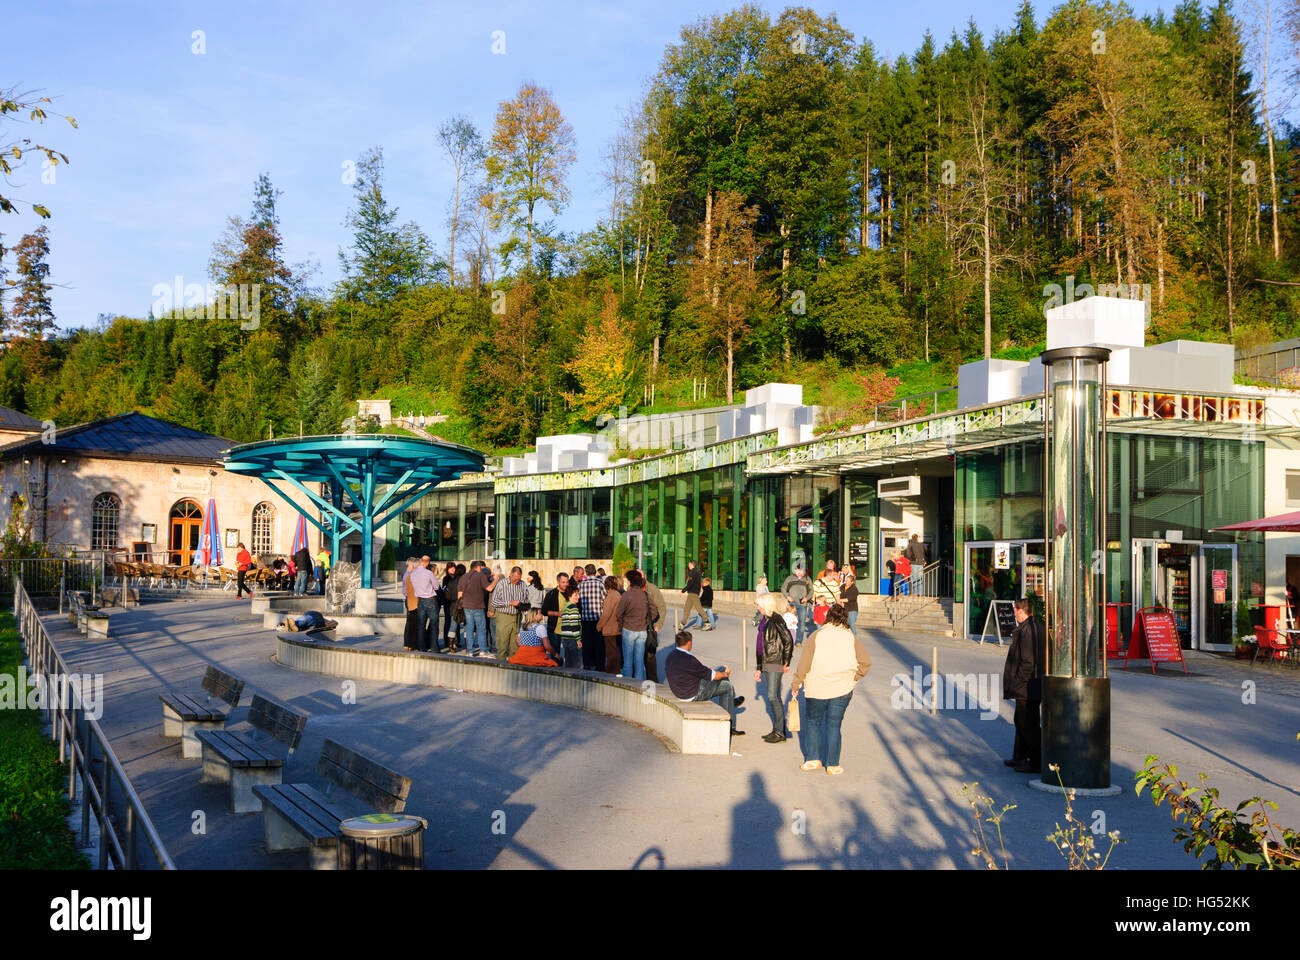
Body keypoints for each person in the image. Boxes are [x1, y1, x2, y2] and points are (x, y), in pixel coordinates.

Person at [791, 604, 872, 774]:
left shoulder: (816, 635)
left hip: (817, 686)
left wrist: (796, 683)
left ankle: (813, 759)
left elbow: (804, 663)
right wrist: (854, 677)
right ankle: (833, 764)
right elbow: (865, 663)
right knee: (834, 725)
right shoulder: (851, 637)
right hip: (843, 687)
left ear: (828, 617)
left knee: (813, 723)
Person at [665, 629, 745, 739]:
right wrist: (726, 674)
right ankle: (731, 725)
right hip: (693, 693)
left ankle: (730, 702)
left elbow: (703, 672)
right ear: (689, 643)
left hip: (679, 691)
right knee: (727, 684)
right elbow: (712, 676)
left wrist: (720, 673)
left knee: (722, 677)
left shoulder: (671, 655)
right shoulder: (689, 660)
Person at [1003, 598, 1044, 774]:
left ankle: (1035, 761)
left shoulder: (1027, 630)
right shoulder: (1038, 627)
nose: (1014, 615)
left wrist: (1017, 682)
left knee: (1027, 722)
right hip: (1034, 683)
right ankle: (1019, 756)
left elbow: (1027, 662)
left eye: (1015, 611)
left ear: (1021, 611)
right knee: (1023, 720)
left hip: (1027, 685)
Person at [754, 593, 794, 743]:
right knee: (774, 696)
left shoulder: (776, 618)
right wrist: (759, 667)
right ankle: (778, 730)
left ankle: (780, 732)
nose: (758, 608)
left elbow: (788, 640)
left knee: (772, 696)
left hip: (775, 661)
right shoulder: (765, 619)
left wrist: (786, 661)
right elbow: (760, 645)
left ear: (766, 605)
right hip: (766, 661)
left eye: (759, 605)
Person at [616, 570, 656, 681]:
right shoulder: (645, 595)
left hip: (628, 629)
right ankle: (639, 685)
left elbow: (619, 614)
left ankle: (628, 684)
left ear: (630, 581)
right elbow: (654, 612)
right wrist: (646, 622)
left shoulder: (626, 595)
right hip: (642, 630)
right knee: (639, 661)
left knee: (628, 661)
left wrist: (621, 625)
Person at [492, 566, 530, 662]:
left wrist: (523, 604)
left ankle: (513, 666)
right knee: (502, 644)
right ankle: (500, 665)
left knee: (515, 645)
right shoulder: (501, 584)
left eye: (519, 579)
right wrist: (509, 602)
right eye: (515, 578)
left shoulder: (523, 584)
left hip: (517, 616)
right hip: (504, 616)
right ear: (510, 574)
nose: (517, 581)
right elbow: (494, 602)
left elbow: (526, 599)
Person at [458, 560, 492, 657]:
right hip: (478, 606)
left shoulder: (463, 577)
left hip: (466, 606)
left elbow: (459, 595)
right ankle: (483, 651)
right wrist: (496, 580)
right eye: (481, 568)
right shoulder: (480, 575)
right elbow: (489, 588)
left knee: (469, 629)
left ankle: (470, 651)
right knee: (481, 629)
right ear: (478, 567)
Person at [578, 562, 607, 671]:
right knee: (599, 643)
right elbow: (605, 598)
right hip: (598, 618)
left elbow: (578, 600)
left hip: (585, 618)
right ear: (595, 572)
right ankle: (600, 665)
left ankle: (587, 664)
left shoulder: (581, 585)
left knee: (587, 643)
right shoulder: (600, 583)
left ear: (586, 572)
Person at [409, 556, 440, 652]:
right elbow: (437, 586)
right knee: (434, 625)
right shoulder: (429, 573)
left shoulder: (413, 574)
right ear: (427, 563)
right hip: (430, 600)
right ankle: (434, 648)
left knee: (421, 625)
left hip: (420, 600)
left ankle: (421, 647)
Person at [597, 575, 624, 675]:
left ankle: (612, 672)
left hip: (610, 628)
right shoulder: (617, 594)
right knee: (615, 651)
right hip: (616, 627)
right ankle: (614, 670)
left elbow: (606, 614)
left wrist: (599, 626)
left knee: (611, 652)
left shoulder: (611, 596)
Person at [782, 564, 812, 644]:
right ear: (795, 570)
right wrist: (787, 596)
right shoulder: (789, 579)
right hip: (792, 603)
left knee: (801, 622)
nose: (800, 572)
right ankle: (788, 639)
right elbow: (783, 588)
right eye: (798, 570)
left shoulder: (807, 579)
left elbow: (811, 590)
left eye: (801, 571)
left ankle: (798, 641)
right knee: (789, 622)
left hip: (803, 604)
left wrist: (807, 598)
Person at [556, 582, 583, 668]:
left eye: (578, 594)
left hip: (565, 638)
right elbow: (574, 626)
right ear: (569, 596)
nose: (578, 597)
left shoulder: (565, 607)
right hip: (573, 639)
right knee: (577, 665)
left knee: (569, 665)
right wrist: (578, 640)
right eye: (575, 595)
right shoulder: (573, 608)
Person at [542, 572, 570, 639]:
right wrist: (557, 613)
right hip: (554, 630)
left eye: (567, 582)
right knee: (554, 650)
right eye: (563, 582)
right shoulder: (551, 594)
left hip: (569, 631)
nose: (566, 584)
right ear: (558, 582)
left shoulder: (571, 593)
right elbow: (544, 611)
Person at [445, 563, 466, 652]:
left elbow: (448, 596)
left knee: (452, 627)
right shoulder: (466, 581)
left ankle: (450, 646)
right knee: (467, 627)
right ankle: (468, 646)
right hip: (466, 606)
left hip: (454, 606)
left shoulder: (452, 582)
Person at [401, 558, 420, 651]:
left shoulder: (408, 573)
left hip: (410, 599)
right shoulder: (408, 574)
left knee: (409, 622)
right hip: (410, 600)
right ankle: (408, 643)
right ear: (410, 565)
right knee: (410, 623)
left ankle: (407, 643)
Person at [681, 560, 706, 628]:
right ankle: (683, 623)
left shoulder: (693, 572)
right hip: (691, 593)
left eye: (689, 564)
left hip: (693, 593)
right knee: (686, 608)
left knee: (698, 608)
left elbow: (690, 583)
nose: (688, 566)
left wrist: (683, 591)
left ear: (692, 565)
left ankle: (707, 622)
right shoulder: (695, 572)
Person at [840, 562, 860, 633]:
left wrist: (839, 600)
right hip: (844, 609)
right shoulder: (842, 587)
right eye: (846, 581)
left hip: (852, 609)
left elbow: (849, 599)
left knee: (851, 625)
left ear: (852, 582)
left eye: (848, 581)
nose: (846, 582)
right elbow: (839, 594)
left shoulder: (854, 589)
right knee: (845, 626)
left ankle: (855, 638)